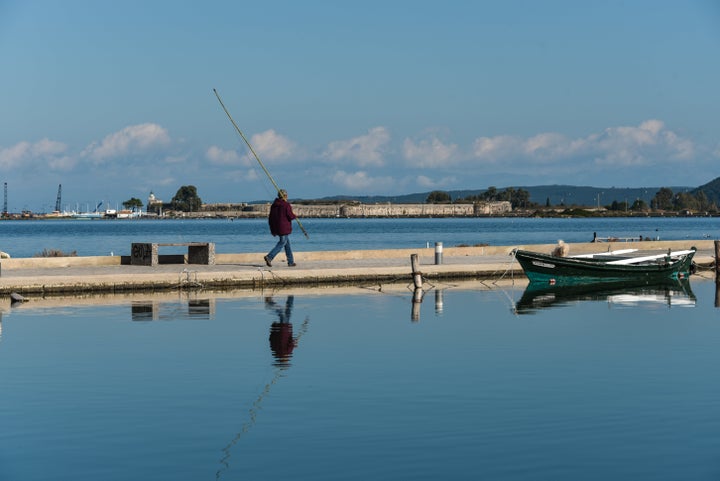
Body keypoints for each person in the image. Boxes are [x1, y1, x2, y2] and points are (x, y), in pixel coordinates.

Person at [264, 189, 297, 267]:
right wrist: (294, 216)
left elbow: (270, 219)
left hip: (277, 228)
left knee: (287, 244)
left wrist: (272, 230)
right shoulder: (286, 205)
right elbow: (290, 216)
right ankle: (269, 257)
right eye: (286, 195)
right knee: (282, 243)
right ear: (285, 196)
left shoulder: (274, 205)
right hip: (284, 228)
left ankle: (290, 261)